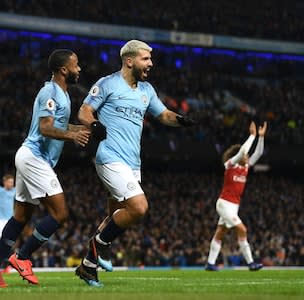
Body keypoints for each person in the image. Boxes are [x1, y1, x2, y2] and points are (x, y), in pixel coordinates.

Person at [76, 40, 198, 287]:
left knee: (115, 215)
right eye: (146, 59)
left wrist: (182, 120)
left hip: (133, 163)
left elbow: (163, 115)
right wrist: (95, 124)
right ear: (129, 61)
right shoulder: (108, 83)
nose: (150, 64)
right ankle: (98, 244)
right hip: (110, 156)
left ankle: (88, 266)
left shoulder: (147, 90)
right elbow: (84, 111)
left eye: (151, 59)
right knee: (139, 207)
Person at [0, 49, 90, 288]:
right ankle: (23, 257)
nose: (79, 69)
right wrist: (72, 136)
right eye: (76, 65)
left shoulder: (63, 93)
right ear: (64, 69)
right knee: (60, 213)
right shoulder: (49, 92)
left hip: (32, 158)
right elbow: (45, 128)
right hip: (34, 157)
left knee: (21, 216)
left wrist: (81, 129)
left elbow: (59, 123)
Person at [205, 121, 267, 271]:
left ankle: (210, 264)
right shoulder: (230, 165)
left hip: (234, 207)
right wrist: (251, 136)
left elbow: (258, 153)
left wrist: (260, 137)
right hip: (224, 204)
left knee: (220, 233)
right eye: (245, 155)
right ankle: (251, 263)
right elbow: (241, 152)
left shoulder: (245, 168)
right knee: (242, 229)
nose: (247, 156)